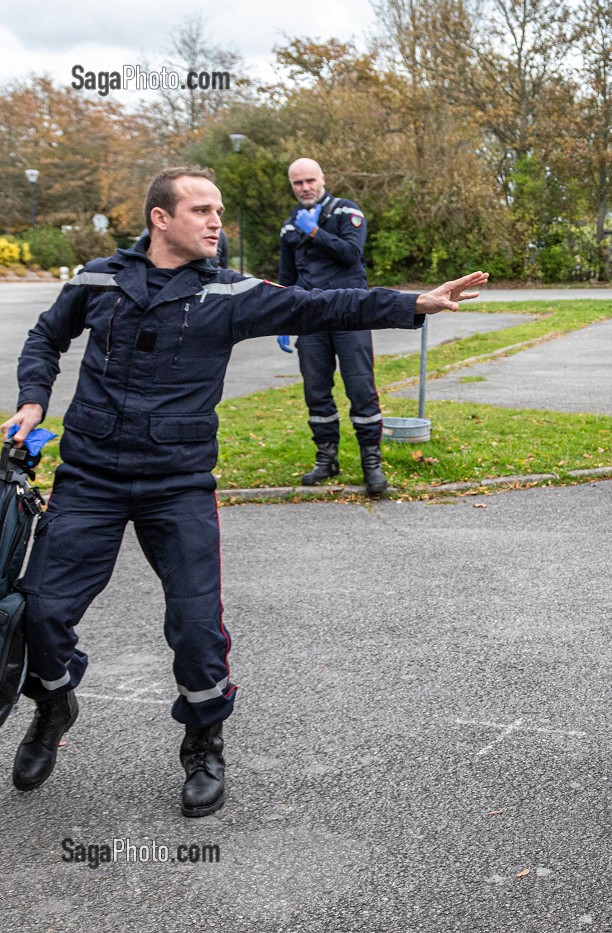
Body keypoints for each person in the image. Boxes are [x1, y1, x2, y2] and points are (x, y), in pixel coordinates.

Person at [4, 165, 487, 818]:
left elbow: (323, 305)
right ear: (160, 218)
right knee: (37, 611)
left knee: (198, 627)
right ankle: (55, 704)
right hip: (89, 476)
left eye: (219, 210)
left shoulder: (228, 294)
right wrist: (33, 400)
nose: (215, 221)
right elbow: (44, 337)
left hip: (177, 483)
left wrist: (414, 303)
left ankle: (203, 741)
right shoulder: (98, 277)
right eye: (201, 209)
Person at [278, 157, 388, 495]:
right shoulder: (289, 226)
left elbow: (351, 254)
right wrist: (281, 316)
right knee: (315, 390)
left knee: (359, 387)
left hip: (349, 312)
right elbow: (287, 275)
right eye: (298, 183)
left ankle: (372, 461)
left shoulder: (345, 212)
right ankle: (327, 458)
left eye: (310, 180)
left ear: (323, 179)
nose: (305, 188)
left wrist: (315, 232)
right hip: (310, 317)